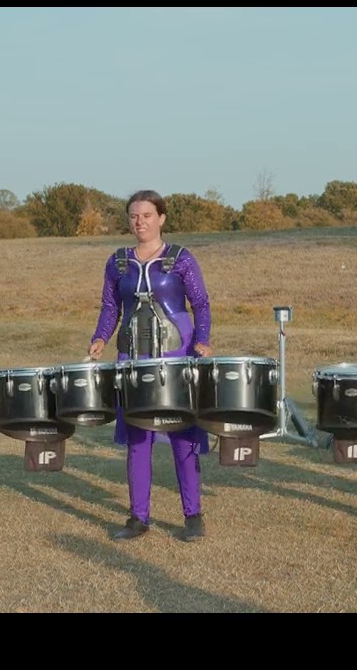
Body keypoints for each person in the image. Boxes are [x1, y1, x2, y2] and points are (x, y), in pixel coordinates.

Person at [87, 190, 213, 543]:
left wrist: (202, 339)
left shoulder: (181, 258)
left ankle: (193, 515)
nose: (139, 221)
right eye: (133, 216)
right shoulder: (117, 262)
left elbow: (201, 304)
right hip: (133, 358)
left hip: (177, 355)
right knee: (138, 436)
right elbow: (110, 307)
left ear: (161, 218)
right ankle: (138, 517)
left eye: (146, 215)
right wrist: (100, 337)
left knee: (182, 433)